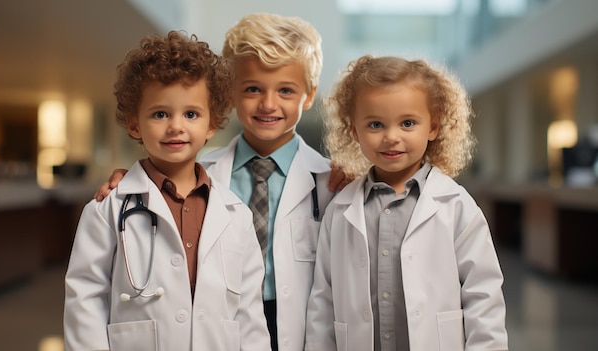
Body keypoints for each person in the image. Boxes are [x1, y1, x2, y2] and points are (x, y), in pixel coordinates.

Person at [93, 13, 348, 351]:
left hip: (303, 329)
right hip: (217, 323)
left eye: (286, 90)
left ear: (310, 94)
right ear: (229, 93)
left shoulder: (335, 182)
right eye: (252, 88)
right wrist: (130, 180)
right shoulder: (197, 174)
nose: (268, 104)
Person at [63, 31, 271, 351]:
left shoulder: (236, 215)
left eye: (191, 114)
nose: (176, 126)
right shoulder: (107, 209)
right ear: (134, 124)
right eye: (160, 114)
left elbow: (250, 315)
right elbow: (85, 301)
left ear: (211, 124)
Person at [304, 55, 508, 351]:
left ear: (433, 127)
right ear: (354, 131)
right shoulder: (340, 210)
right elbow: (322, 300)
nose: (391, 137)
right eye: (375, 124)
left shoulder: (457, 206)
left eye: (408, 123)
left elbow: (484, 298)